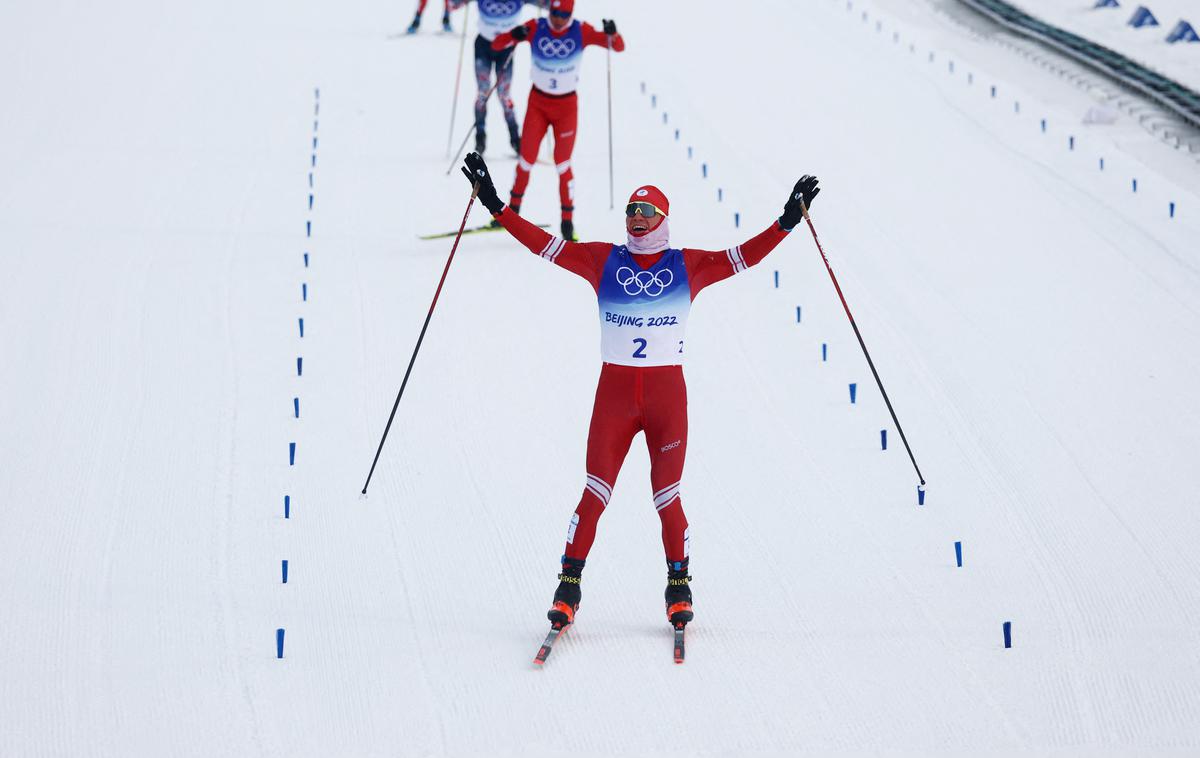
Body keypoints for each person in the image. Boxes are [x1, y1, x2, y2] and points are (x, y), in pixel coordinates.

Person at [460, 151, 821, 630]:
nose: (635, 217)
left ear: (663, 218)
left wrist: (786, 222)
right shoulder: (601, 259)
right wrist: (495, 205)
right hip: (614, 397)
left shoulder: (687, 266)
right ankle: (568, 586)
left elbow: (742, 258)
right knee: (594, 492)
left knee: (667, 496)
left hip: (665, 398)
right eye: (631, 209)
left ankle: (679, 585)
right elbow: (544, 245)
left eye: (645, 211)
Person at [490, 0, 624, 242]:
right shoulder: (537, 26)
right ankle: (512, 213)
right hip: (538, 104)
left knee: (562, 164)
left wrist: (613, 33)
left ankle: (567, 224)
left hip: (566, 107)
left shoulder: (581, 30)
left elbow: (618, 47)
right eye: (555, 12)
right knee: (526, 160)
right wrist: (514, 34)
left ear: (571, 14)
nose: (558, 19)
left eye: (564, 14)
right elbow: (498, 44)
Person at [447, 0, 549, 156]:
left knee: (504, 95)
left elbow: (551, 6)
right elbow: (453, 6)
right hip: (483, 47)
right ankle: (480, 137)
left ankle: (515, 139)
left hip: (506, 49)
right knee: (483, 93)